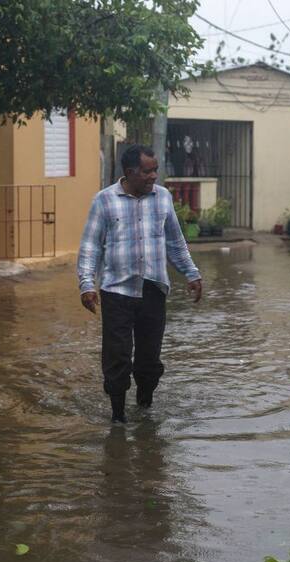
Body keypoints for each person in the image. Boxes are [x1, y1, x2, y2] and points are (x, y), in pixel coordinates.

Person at [77, 144, 202, 424]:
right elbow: (90, 247)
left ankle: (145, 408)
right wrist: (86, 285)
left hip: (153, 290)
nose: (154, 176)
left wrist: (191, 274)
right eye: (148, 171)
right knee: (117, 358)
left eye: (155, 170)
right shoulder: (104, 200)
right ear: (130, 172)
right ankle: (118, 418)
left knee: (149, 362)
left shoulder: (163, 198)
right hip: (116, 292)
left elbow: (175, 242)